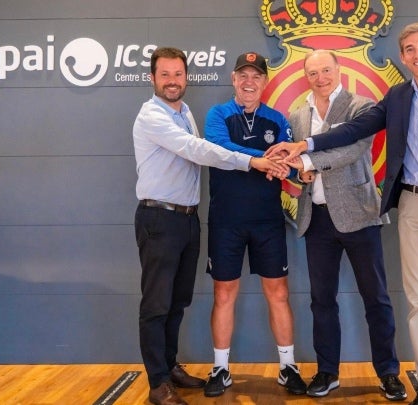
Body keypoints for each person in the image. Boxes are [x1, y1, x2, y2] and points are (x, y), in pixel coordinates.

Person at [266, 22, 418, 405]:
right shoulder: (397, 97)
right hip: (411, 206)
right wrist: (305, 145)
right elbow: (352, 131)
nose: (417, 55)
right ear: (402, 56)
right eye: (410, 49)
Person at [133, 47, 285, 405]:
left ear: (186, 77)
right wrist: (255, 161)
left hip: (186, 218)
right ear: (152, 78)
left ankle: (169, 366)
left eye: (178, 74)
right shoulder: (151, 116)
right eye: (165, 74)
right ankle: (158, 383)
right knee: (156, 304)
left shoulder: (184, 111)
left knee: (177, 301)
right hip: (159, 218)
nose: (172, 81)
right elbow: (198, 150)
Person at [285, 49, 406, 401]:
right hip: (316, 219)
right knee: (321, 300)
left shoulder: (361, 107)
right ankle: (327, 372)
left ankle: (388, 373)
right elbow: (296, 164)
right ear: (305, 77)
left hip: (360, 215)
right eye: (313, 73)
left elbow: (351, 150)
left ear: (339, 70)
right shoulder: (297, 115)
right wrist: (300, 172)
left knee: (376, 299)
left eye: (326, 70)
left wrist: (307, 160)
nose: (320, 78)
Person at [201, 51, 307, 398]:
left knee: (278, 293)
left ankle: (288, 367)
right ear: (234, 79)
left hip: (267, 221)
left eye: (256, 76)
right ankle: (220, 368)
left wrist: (286, 166)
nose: (249, 82)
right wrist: (263, 160)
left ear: (265, 81)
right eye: (243, 75)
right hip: (226, 221)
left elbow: (290, 163)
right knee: (223, 293)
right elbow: (218, 147)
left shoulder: (277, 119)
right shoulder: (218, 115)